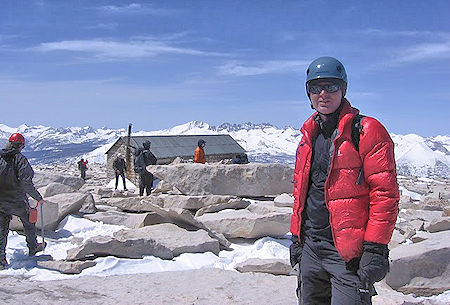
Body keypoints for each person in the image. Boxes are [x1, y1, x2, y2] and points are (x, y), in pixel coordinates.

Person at [289, 57, 399, 304]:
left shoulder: (367, 131)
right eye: (316, 88)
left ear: (344, 89)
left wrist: (375, 248)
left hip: (348, 254)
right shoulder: (307, 135)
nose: (323, 94)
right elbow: (301, 193)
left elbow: (385, 194)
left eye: (331, 86)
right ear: (309, 94)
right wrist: (296, 237)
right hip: (310, 249)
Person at [0, 133, 46, 268]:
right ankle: (33, 247)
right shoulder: (20, 159)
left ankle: (1, 260)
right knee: (29, 221)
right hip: (17, 200)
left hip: (0, 200)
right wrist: (38, 198)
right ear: (21, 146)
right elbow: (26, 183)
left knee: (2, 229)